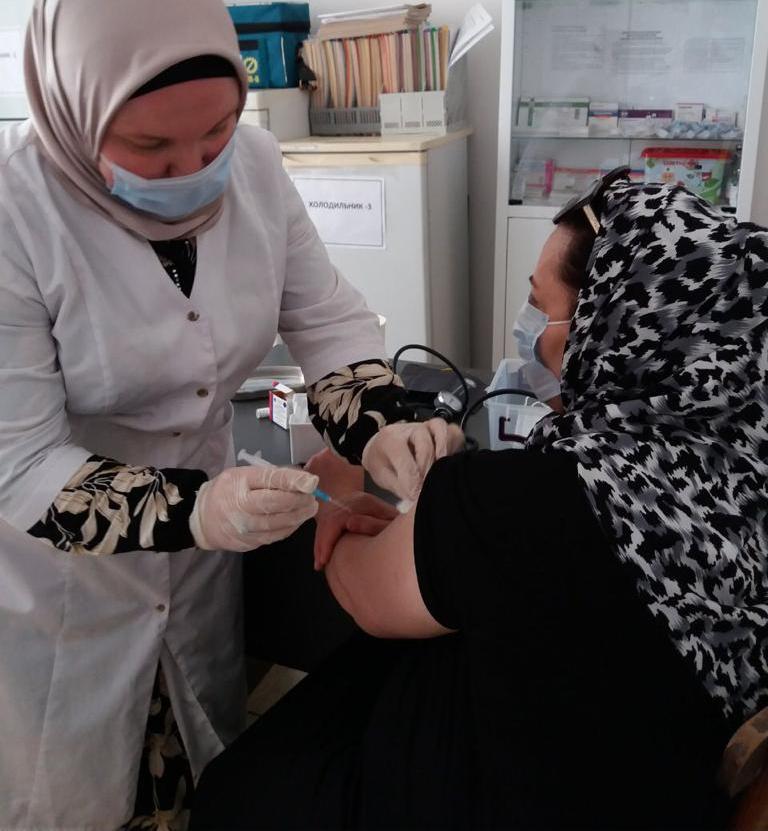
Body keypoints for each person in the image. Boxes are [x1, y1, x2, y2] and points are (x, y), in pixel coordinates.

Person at [0, 1, 463, 828]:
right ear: (75, 108)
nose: (190, 167)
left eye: (215, 131)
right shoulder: (15, 210)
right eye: (150, 146)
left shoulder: (253, 164)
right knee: (77, 794)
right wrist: (199, 509)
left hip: (201, 570)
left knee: (205, 774)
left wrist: (382, 424)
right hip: (64, 578)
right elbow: (22, 462)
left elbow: (326, 322)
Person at [190, 175, 768, 830]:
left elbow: (368, 595)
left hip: (489, 792)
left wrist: (337, 495)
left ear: (618, 326)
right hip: (655, 791)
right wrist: (427, 529)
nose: (527, 331)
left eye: (540, 308)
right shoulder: (743, 476)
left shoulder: (535, 499)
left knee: (244, 789)